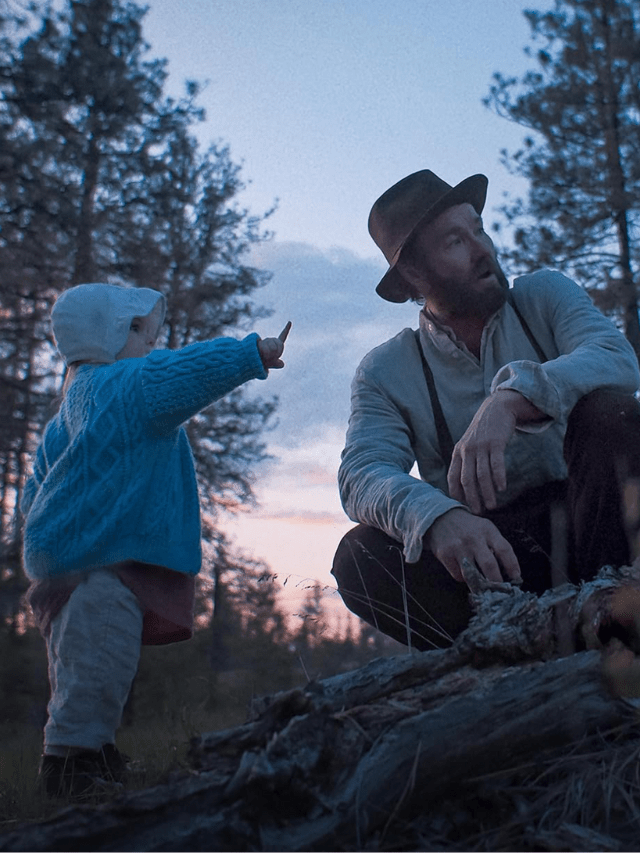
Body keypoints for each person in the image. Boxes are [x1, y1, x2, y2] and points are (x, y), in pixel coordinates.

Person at [332, 169, 640, 652]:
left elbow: (616, 357)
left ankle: (619, 622)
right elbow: (361, 473)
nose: (483, 250)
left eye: (478, 229)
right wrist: (434, 518)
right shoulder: (386, 370)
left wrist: (513, 399)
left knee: (611, 414)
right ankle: (501, 654)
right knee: (360, 557)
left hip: (595, 528)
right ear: (414, 274)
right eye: (456, 242)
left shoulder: (543, 296)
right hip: (488, 563)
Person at [20, 282, 291, 799]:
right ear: (104, 337)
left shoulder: (68, 410)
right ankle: (71, 766)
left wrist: (43, 535)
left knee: (79, 666)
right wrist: (249, 353)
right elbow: (186, 371)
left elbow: (36, 487)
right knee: (100, 663)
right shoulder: (128, 385)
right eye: (138, 330)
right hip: (103, 561)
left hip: (65, 564)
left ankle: (91, 750)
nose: (151, 342)